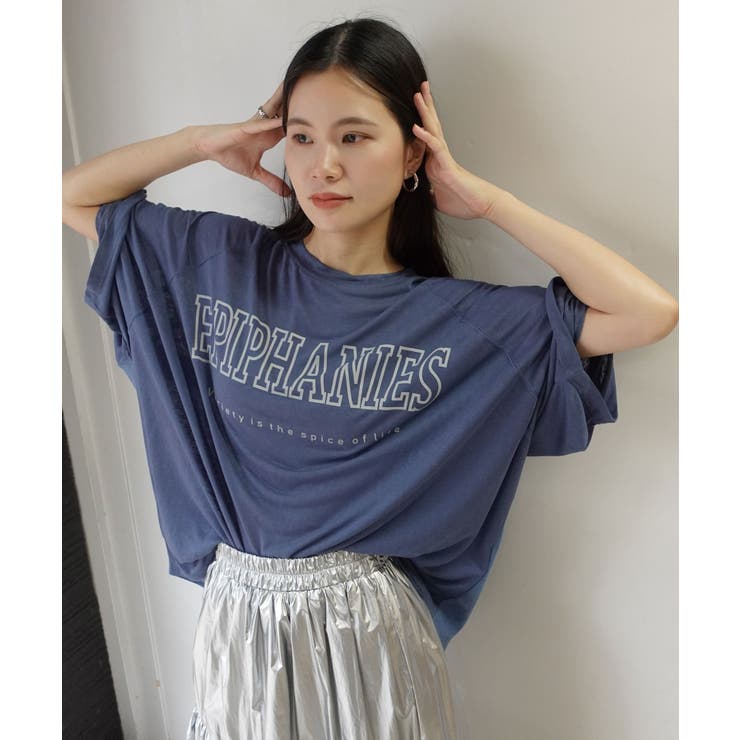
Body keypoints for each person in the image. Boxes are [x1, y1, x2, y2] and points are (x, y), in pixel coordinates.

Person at [62, 15, 678, 740]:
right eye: (301, 137)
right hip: (237, 621)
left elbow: (647, 312)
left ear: (413, 153)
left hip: (369, 635)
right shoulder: (219, 265)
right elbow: (69, 196)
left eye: (353, 137)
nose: (323, 166)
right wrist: (203, 141)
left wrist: (486, 201)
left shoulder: (456, 323)